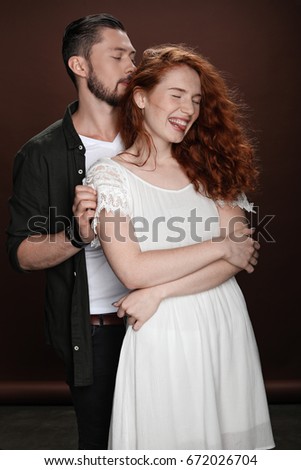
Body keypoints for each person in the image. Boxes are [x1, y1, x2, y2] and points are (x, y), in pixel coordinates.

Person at [84, 44, 275, 449]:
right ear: (140, 97)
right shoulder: (110, 177)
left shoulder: (212, 165)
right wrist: (221, 244)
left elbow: (238, 259)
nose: (188, 108)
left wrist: (160, 291)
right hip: (163, 332)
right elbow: (133, 270)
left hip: (222, 320)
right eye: (176, 95)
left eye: (196, 100)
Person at [6, 13, 136, 449]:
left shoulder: (152, 139)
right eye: (117, 56)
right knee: (100, 447)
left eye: (132, 56)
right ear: (80, 67)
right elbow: (21, 253)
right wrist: (78, 235)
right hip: (94, 331)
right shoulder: (39, 155)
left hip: (158, 320)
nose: (132, 67)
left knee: (167, 442)